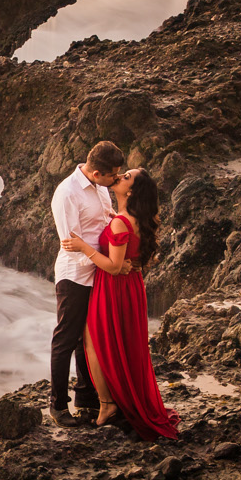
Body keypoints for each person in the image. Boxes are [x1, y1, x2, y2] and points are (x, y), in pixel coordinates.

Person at [61, 168, 180, 440]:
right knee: (125, 344)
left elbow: (114, 267)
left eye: (126, 177)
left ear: (131, 192)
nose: (120, 176)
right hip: (132, 289)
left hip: (112, 288)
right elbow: (135, 259)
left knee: (94, 342)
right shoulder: (136, 219)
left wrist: (83, 248)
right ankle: (123, 397)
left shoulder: (120, 223)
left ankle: (107, 405)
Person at [49, 139, 125, 426]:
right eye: (113, 175)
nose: (116, 179)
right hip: (75, 274)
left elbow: (106, 222)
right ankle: (57, 406)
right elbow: (72, 243)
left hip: (99, 271)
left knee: (88, 338)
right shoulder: (67, 193)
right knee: (66, 339)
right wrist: (103, 261)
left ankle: (87, 399)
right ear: (96, 174)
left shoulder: (101, 187)